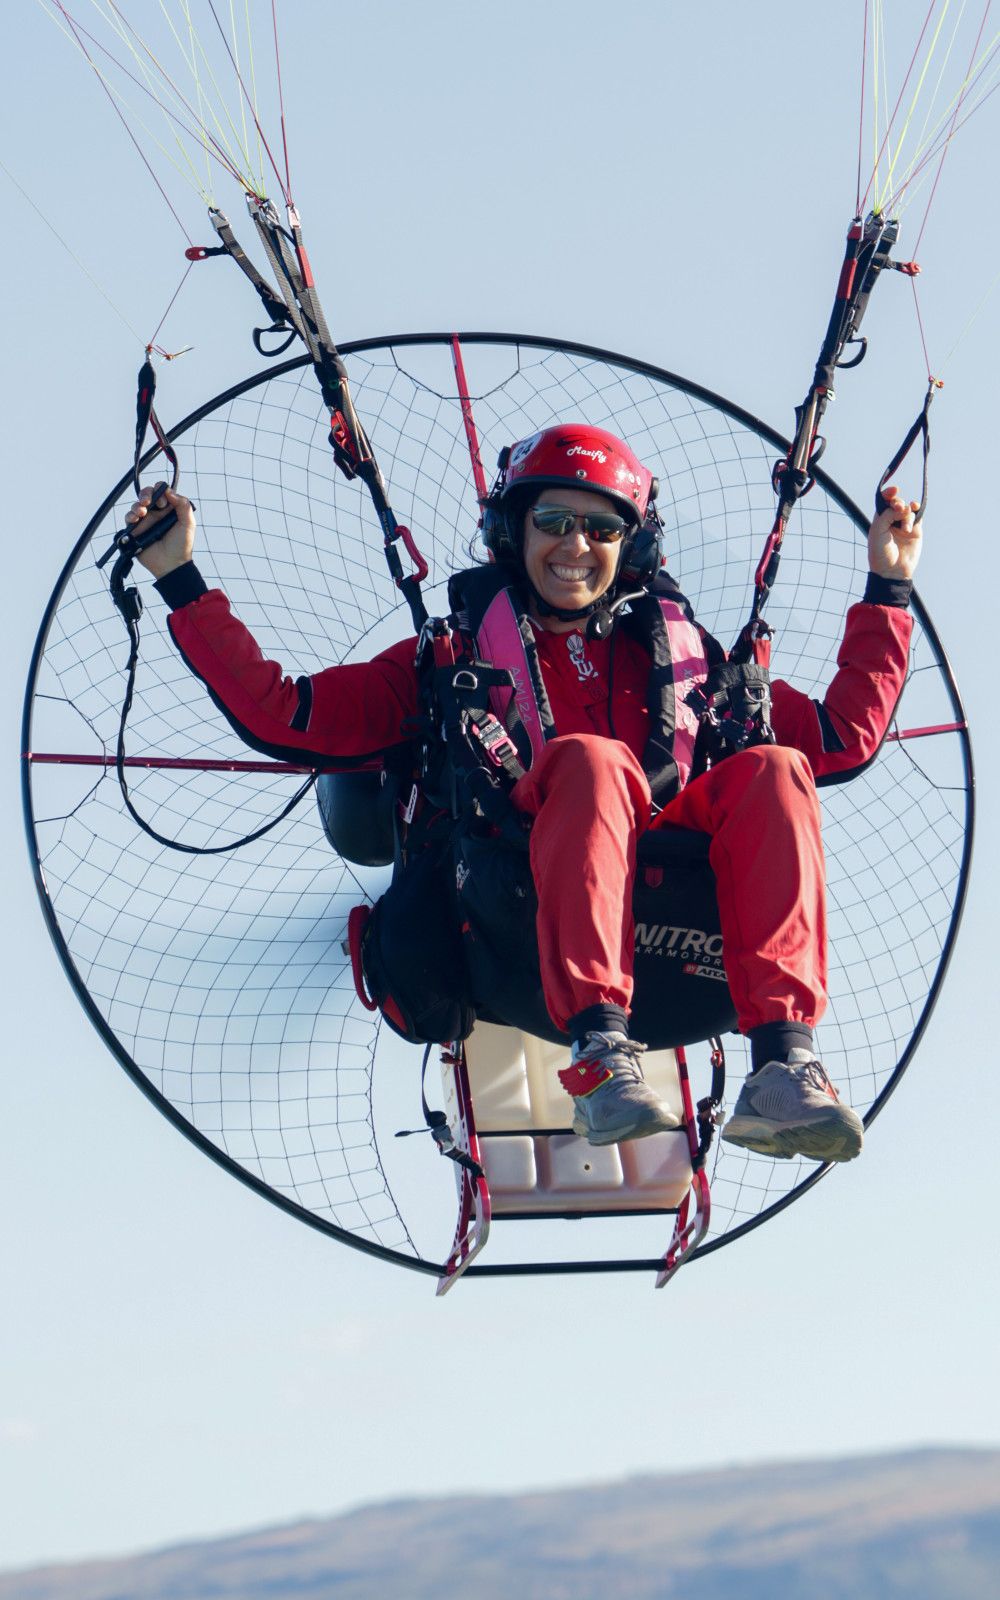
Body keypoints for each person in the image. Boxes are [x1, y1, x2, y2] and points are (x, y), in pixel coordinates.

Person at [129, 424, 920, 1163]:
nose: (576, 546)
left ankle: (784, 1064)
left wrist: (888, 588)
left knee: (776, 770)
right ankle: (602, 1055)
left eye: (603, 529)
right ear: (515, 531)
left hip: (688, 950)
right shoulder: (449, 659)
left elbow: (842, 740)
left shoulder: (691, 664)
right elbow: (284, 714)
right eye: (554, 520)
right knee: (593, 763)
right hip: (519, 933)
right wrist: (181, 578)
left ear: (631, 544)